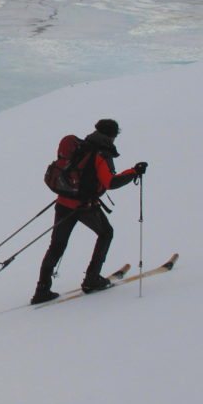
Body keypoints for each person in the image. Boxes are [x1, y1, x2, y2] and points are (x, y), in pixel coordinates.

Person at [31, 119, 147, 305]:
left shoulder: (82, 146)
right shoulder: (101, 153)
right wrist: (134, 171)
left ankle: (42, 290)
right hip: (85, 206)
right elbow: (109, 182)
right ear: (112, 135)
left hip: (64, 203)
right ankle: (92, 280)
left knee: (57, 245)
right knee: (106, 233)